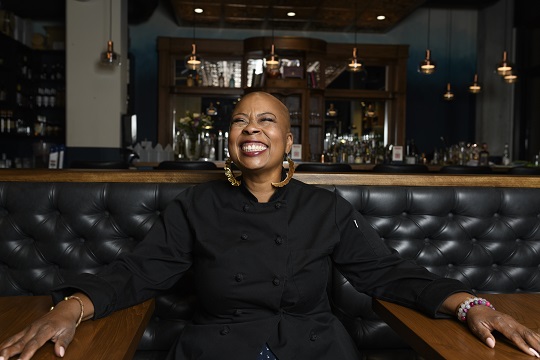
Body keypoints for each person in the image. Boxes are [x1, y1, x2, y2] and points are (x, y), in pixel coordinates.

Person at [1, 91, 539, 360]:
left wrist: (472, 304)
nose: (251, 128)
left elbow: (387, 273)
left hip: (314, 347)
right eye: (239, 120)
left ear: (288, 144)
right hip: (218, 348)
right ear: (229, 141)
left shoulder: (324, 209)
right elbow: (138, 272)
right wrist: (69, 306)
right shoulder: (196, 206)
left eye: (267, 121)